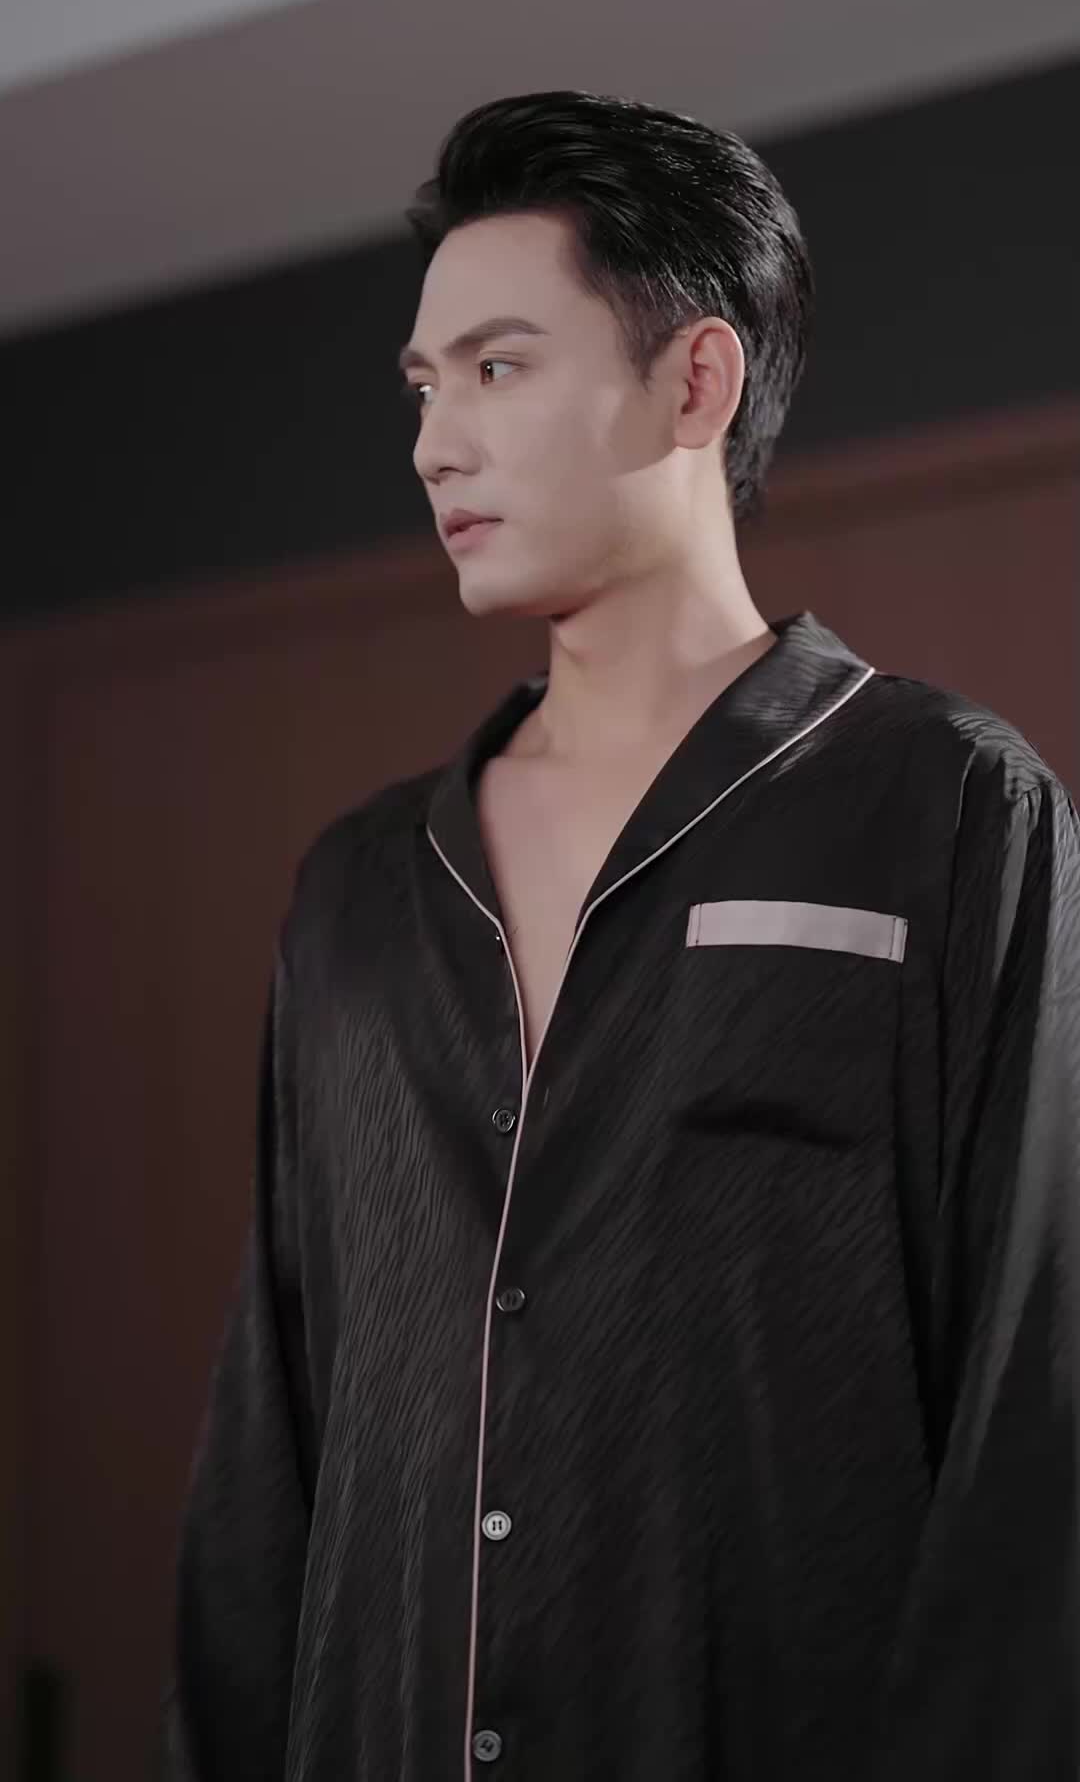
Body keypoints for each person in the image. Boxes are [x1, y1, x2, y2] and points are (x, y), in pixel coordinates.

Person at [162, 90, 1079, 1781]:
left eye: (498, 368)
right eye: (424, 387)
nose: (435, 446)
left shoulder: (948, 809)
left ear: (695, 382)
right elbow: (265, 1463)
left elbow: (1038, 1423)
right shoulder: (358, 890)